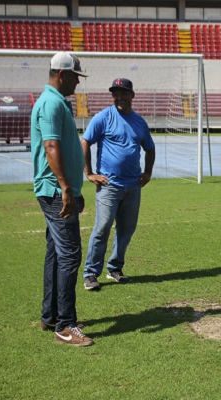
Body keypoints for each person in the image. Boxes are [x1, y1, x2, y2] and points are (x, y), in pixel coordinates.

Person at [31, 52, 93, 346]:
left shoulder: (58, 102)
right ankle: (66, 326)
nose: (77, 84)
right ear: (61, 75)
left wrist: (74, 189)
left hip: (61, 190)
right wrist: (67, 188)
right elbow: (51, 146)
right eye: (75, 78)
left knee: (56, 251)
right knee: (69, 254)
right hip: (56, 192)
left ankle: (50, 315)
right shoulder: (52, 103)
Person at [82, 78, 156, 291]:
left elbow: (150, 148)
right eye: (115, 93)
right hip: (109, 185)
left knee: (126, 229)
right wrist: (89, 173)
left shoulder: (139, 122)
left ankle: (114, 267)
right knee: (102, 228)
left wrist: (148, 172)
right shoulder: (103, 117)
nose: (119, 97)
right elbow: (85, 141)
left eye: (123, 93)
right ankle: (90, 273)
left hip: (133, 186)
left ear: (132, 95)